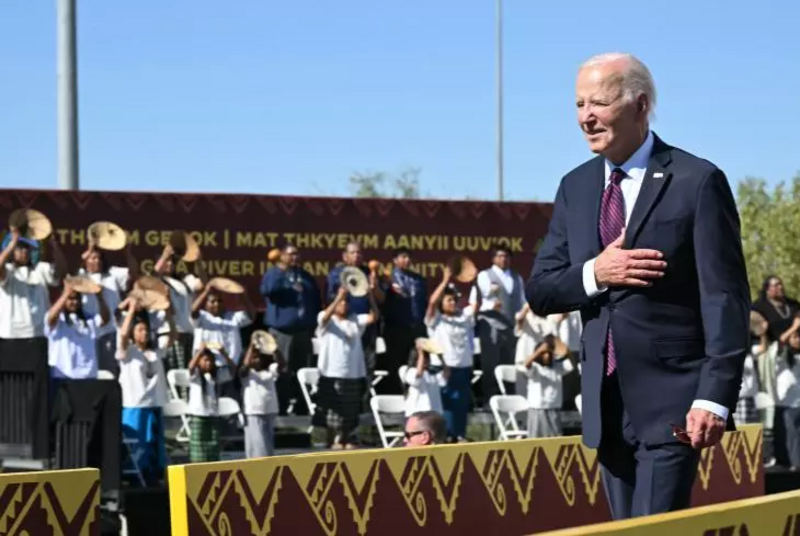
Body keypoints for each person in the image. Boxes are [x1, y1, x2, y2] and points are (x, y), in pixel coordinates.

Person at [527, 53, 750, 519]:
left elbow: (724, 298)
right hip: (605, 408)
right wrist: (596, 272)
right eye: (578, 104)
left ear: (640, 104)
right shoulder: (575, 187)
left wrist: (714, 396)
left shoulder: (696, 181)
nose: (586, 116)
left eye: (600, 102)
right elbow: (542, 290)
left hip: (674, 404)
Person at [313, 286, 378, 450]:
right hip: (331, 372)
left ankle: (346, 437)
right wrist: (338, 297)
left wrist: (370, 297)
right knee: (332, 412)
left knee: (350, 410)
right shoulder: (326, 318)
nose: (344, 306)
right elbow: (324, 318)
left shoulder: (354, 320)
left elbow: (374, 317)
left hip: (353, 372)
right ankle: (331, 439)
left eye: (345, 303)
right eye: (341, 303)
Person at [260, 243, 321, 414]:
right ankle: (280, 407)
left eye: (297, 254)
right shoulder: (274, 273)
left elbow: (314, 299)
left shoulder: (305, 276)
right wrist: (280, 271)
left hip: (303, 331)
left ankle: (302, 406)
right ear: (282, 256)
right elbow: (268, 290)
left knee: (302, 370)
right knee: (282, 370)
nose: (295, 257)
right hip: (282, 332)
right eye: (291, 254)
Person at [116, 297, 168, 485]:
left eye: (146, 329)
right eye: (140, 329)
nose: (144, 332)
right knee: (137, 445)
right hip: (134, 404)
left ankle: (154, 477)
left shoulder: (155, 351)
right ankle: (135, 479)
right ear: (133, 333)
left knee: (154, 444)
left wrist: (167, 309)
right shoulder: (127, 351)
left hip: (154, 403)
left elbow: (174, 336)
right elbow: (122, 335)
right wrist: (130, 310)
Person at [469, 245, 526, 402]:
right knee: (490, 363)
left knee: (509, 362)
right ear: (493, 258)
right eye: (500, 256)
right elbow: (477, 301)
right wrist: (490, 305)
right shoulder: (484, 275)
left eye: (506, 256)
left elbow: (522, 301)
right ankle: (490, 398)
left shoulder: (517, 277)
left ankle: (510, 398)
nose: (503, 259)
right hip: (491, 324)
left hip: (511, 327)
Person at [425, 266, 476, 441]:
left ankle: (460, 435)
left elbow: (476, 305)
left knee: (461, 405)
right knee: (447, 405)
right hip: (444, 368)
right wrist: (445, 281)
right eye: (449, 300)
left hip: (463, 367)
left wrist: (473, 280)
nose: (453, 303)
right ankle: (446, 437)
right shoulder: (436, 319)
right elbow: (432, 302)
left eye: (455, 300)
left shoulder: (463, 317)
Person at [325, 241, 385, 385]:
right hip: (344, 326)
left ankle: (364, 401)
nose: (357, 255)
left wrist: (374, 288)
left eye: (359, 252)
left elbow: (382, 299)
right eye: (353, 252)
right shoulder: (336, 275)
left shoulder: (369, 273)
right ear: (345, 256)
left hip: (367, 325)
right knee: (345, 364)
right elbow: (329, 299)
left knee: (367, 365)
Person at [78, 236, 139, 376]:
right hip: (90, 332)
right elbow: (74, 267)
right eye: (92, 258)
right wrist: (90, 248)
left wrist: (128, 252)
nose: (96, 261)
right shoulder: (82, 276)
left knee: (110, 372)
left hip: (111, 331)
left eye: (98, 258)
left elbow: (133, 273)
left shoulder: (112, 274)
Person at [381, 248, 428, 394]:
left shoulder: (419, 280)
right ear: (394, 260)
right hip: (396, 328)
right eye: (403, 257)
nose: (406, 260)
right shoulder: (388, 278)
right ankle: (396, 395)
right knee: (396, 364)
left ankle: (413, 395)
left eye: (408, 257)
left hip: (417, 327)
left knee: (416, 362)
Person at [45, 281, 110, 379]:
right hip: (63, 376)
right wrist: (66, 293)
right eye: (70, 299)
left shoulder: (89, 318)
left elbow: (105, 320)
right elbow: (51, 318)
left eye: (77, 299)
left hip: (88, 376)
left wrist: (99, 296)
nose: (74, 302)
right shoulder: (59, 319)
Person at [186, 344, 235, 463]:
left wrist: (224, 353)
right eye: (205, 360)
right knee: (199, 447)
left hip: (213, 415)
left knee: (213, 447)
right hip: (199, 415)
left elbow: (233, 370)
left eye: (211, 360)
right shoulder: (196, 375)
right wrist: (199, 352)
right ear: (200, 361)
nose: (209, 363)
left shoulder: (216, 375)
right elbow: (191, 367)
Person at [519, 335, 574, 438]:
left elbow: (571, 363)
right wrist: (540, 350)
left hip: (553, 409)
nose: (547, 356)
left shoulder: (558, 367)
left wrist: (564, 349)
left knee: (555, 440)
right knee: (535, 440)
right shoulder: (535, 368)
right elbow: (526, 364)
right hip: (537, 409)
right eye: (544, 354)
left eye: (549, 353)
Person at [240, 338, 281, 458]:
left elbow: (282, 364)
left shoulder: (271, 370)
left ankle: (267, 465)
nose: (256, 360)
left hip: (270, 410)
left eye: (258, 357)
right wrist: (251, 348)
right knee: (258, 444)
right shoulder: (247, 374)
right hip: (254, 412)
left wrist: (275, 349)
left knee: (267, 444)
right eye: (253, 357)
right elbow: (245, 366)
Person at [402, 339, 448, 418]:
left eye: (427, 358)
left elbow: (446, 375)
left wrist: (441, 356)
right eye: (424, 358)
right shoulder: (407, 370)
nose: (426, 361)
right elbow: (418, 375)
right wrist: (421, 353)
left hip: (434, 413)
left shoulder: (432, 372)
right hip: (416, 413)